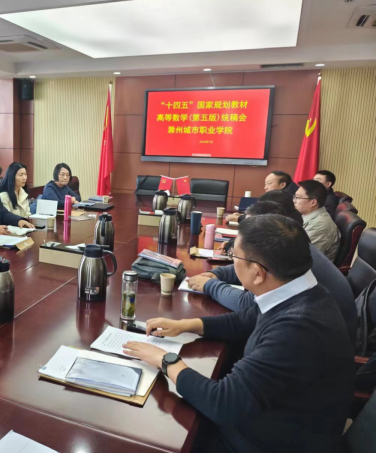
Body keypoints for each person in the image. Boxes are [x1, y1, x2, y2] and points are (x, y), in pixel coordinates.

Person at [123, 215, 355, 452]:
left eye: (235, 256)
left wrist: (165, 360)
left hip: (266, 443)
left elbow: (224, 403)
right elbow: (246, 320)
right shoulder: (300, 290)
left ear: (258, 273)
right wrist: (186, 325)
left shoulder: (296, 330)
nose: (232, 262)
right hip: (272, 420)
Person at [189, 201, 357, 344]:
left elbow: (247, 304)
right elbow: (250, 315)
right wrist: (218, 274)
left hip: (314, 344)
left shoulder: (291, 327)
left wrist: (211, 286)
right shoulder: (291, 247)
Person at [294, 180, 340, 262]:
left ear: (313, 202)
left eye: (298, 197)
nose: (294, 200)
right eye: (295, 196)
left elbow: (303, 257)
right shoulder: (306, 215)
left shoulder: (319, 226)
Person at [225, 174, 301, 223]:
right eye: (265, 184)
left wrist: (240, 218)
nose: (265, 187)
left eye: (269, 183)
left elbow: (265, 220)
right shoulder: (280, 196)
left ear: (282, 185)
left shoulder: (282, 198)